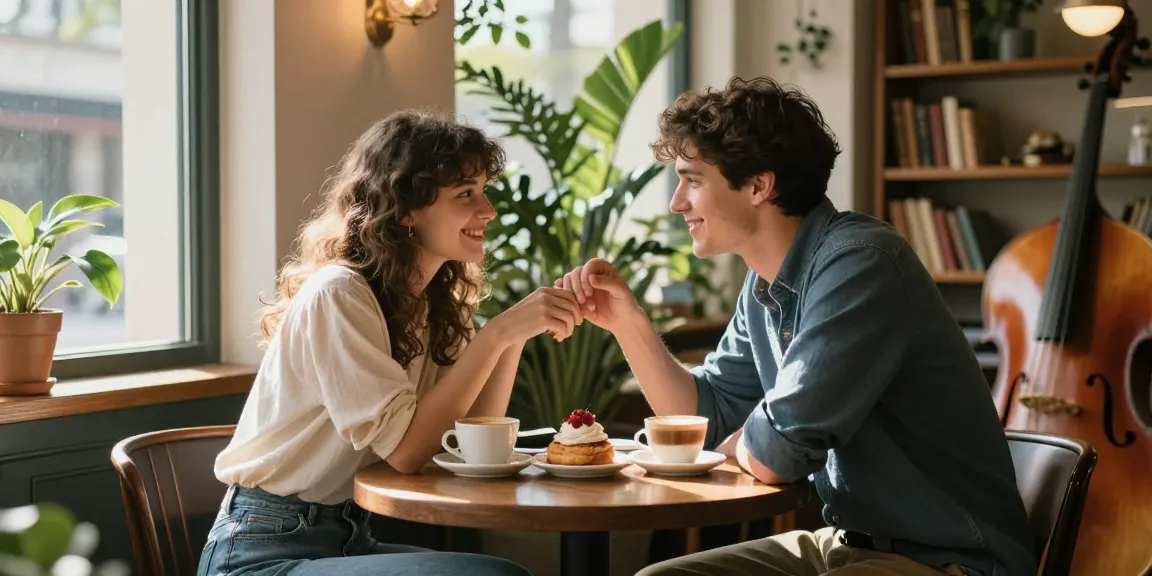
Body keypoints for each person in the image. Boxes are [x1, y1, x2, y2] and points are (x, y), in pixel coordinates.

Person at [557, 77, 1037, 576]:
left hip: (949, 560)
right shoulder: (763, 285)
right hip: (846, 543)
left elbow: (777, 454)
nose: (677, 202)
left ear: (759, 186)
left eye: (692, 179)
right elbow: (706, 420)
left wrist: (755, 439)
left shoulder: (861, 263)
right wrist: (628, 324)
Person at [200, 110, 582, 575]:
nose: (487, 210)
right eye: (466, 194)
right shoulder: (338, 293)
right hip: (262, 552)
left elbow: (472, 441)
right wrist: (498, 332)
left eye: (483, 192)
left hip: (349, 540)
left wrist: (512, 338)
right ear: (404, 209)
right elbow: (406, 452)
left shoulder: (429, 303)